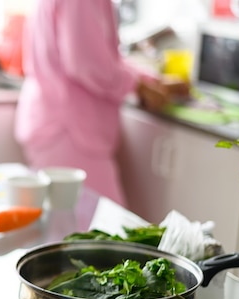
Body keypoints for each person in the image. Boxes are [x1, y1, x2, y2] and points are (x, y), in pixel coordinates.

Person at [14, 0, 186, 206]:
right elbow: (86, 62)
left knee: (73, 227)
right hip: (70, 129)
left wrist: (151, 80)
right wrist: (139, 85)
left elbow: (101, 56)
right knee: (101, 231)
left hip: (60, 122)